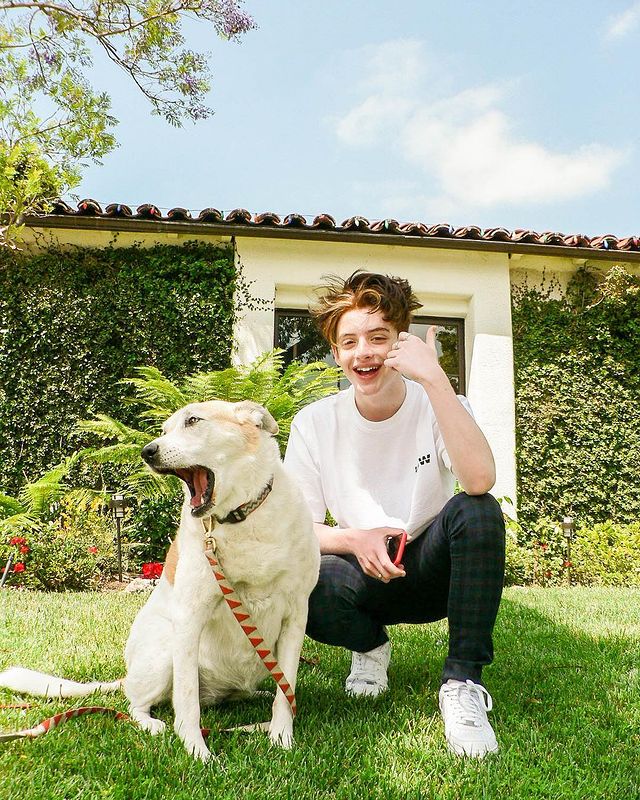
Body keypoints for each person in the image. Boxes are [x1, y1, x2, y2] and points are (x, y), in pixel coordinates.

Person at [283, 270, 506, 758]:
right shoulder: (314, 423)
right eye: (349, 342)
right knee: (305, 576)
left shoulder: (437, 401)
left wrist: (436, 379)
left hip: (431, 569)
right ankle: (369, 648)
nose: (363, 352)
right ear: (336, 353)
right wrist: (353, 539)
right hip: (360, 571)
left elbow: (479, 480)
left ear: (401, 342)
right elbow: (295, 527)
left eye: (378, 338)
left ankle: (463, 683)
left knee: (478, 512)